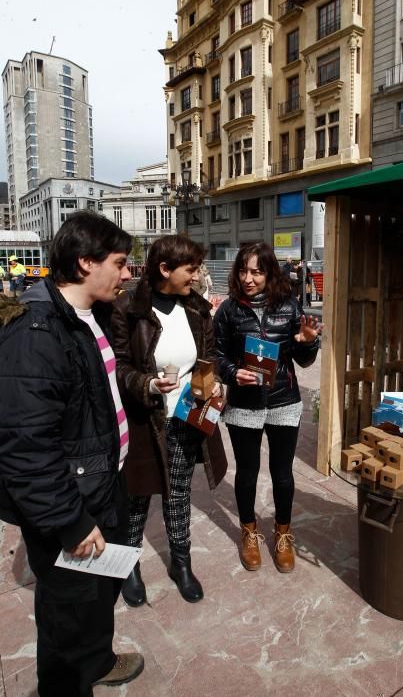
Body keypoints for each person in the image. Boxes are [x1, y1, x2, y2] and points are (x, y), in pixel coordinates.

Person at [0, 211, 144, 696]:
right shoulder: (36, 335)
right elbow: (26, 450)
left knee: (97, 598)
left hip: (103, 486)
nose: (128, 273)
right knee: (67, 615)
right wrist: (70, 521)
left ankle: (97, 661)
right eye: (121, 263)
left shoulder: (93, 315)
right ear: (86, 262)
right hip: (72, 505)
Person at [111, 235, 227, 607]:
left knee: (178, 492)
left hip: (187, 416)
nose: (196, 276)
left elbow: (209, 358)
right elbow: (121, 367)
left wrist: (216, 384)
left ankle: (181, 563)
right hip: (145, 418)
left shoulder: (197, 308)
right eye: (190, 269)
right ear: (165, 269)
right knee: (138, 495)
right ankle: (129, 565)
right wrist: (148, 384)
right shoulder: (128, 308)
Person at [213, 242, 322, 573]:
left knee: (283, 474)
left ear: (269, 273)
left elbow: (302, 361)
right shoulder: (228, 311)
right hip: (244, 404)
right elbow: (218, 357)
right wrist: (234, 373)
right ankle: (249, 531)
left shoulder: (288, 308)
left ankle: (283, 533)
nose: (249, 278)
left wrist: (308, 342)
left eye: (257, 272)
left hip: (283, 401)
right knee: (246, 474)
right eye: (244, 270)